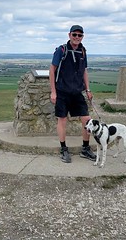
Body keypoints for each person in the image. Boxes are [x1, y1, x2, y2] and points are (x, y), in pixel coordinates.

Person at [49, 25, 96, 163]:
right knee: (62, 120)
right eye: (74, 35)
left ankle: (85, 149)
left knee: (87, 120)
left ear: (83, 37)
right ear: (69, 35)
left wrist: (88, 89)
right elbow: (52, 70)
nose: (77, 37)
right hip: (62, 91)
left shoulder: (83, 51)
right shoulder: (61, 50)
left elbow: (84, 71)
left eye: (79, 35)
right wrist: (53, 91)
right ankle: (64, 149)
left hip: (77, 92)